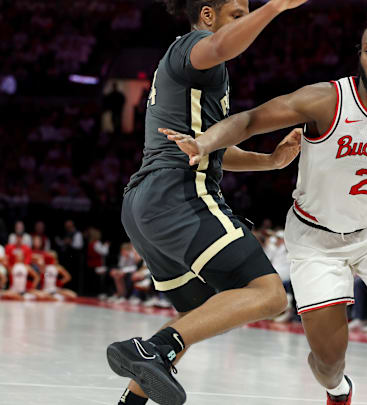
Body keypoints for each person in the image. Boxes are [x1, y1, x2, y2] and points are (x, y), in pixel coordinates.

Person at [164, 13, 367, 405]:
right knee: (329, 361)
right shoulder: (327, 99)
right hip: (315, 238)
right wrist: (206, 142)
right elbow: (251, 120)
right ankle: (339, 392)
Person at [105, 2, 307, 405]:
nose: (245, 19)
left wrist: (269, 161)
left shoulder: (187, 68)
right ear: (208, 15)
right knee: (269, 294)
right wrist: (276, 7)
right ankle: (152, 349)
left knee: (194, 316)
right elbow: (219, 45)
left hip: (144, 203)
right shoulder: (196, 47)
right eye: (237, 13)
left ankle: (132, 399)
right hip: (177, 195)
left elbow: (210, 152)